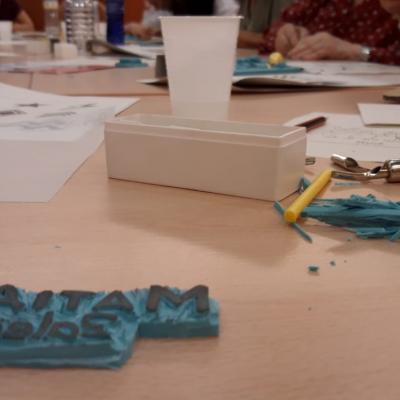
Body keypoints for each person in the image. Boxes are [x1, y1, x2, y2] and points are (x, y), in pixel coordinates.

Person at [262, 0, 400, 65]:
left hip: (368, 93)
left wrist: (355, 51)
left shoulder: (392, 6)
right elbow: (275, 29)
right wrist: (284, 35)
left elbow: (395, 56)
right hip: (304, 82)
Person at [125, 0, 240, 39]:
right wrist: (131, 28)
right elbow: (146, 27)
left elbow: (229, 31)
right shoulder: (165, 7)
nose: (150, 2)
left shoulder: (222, 3)